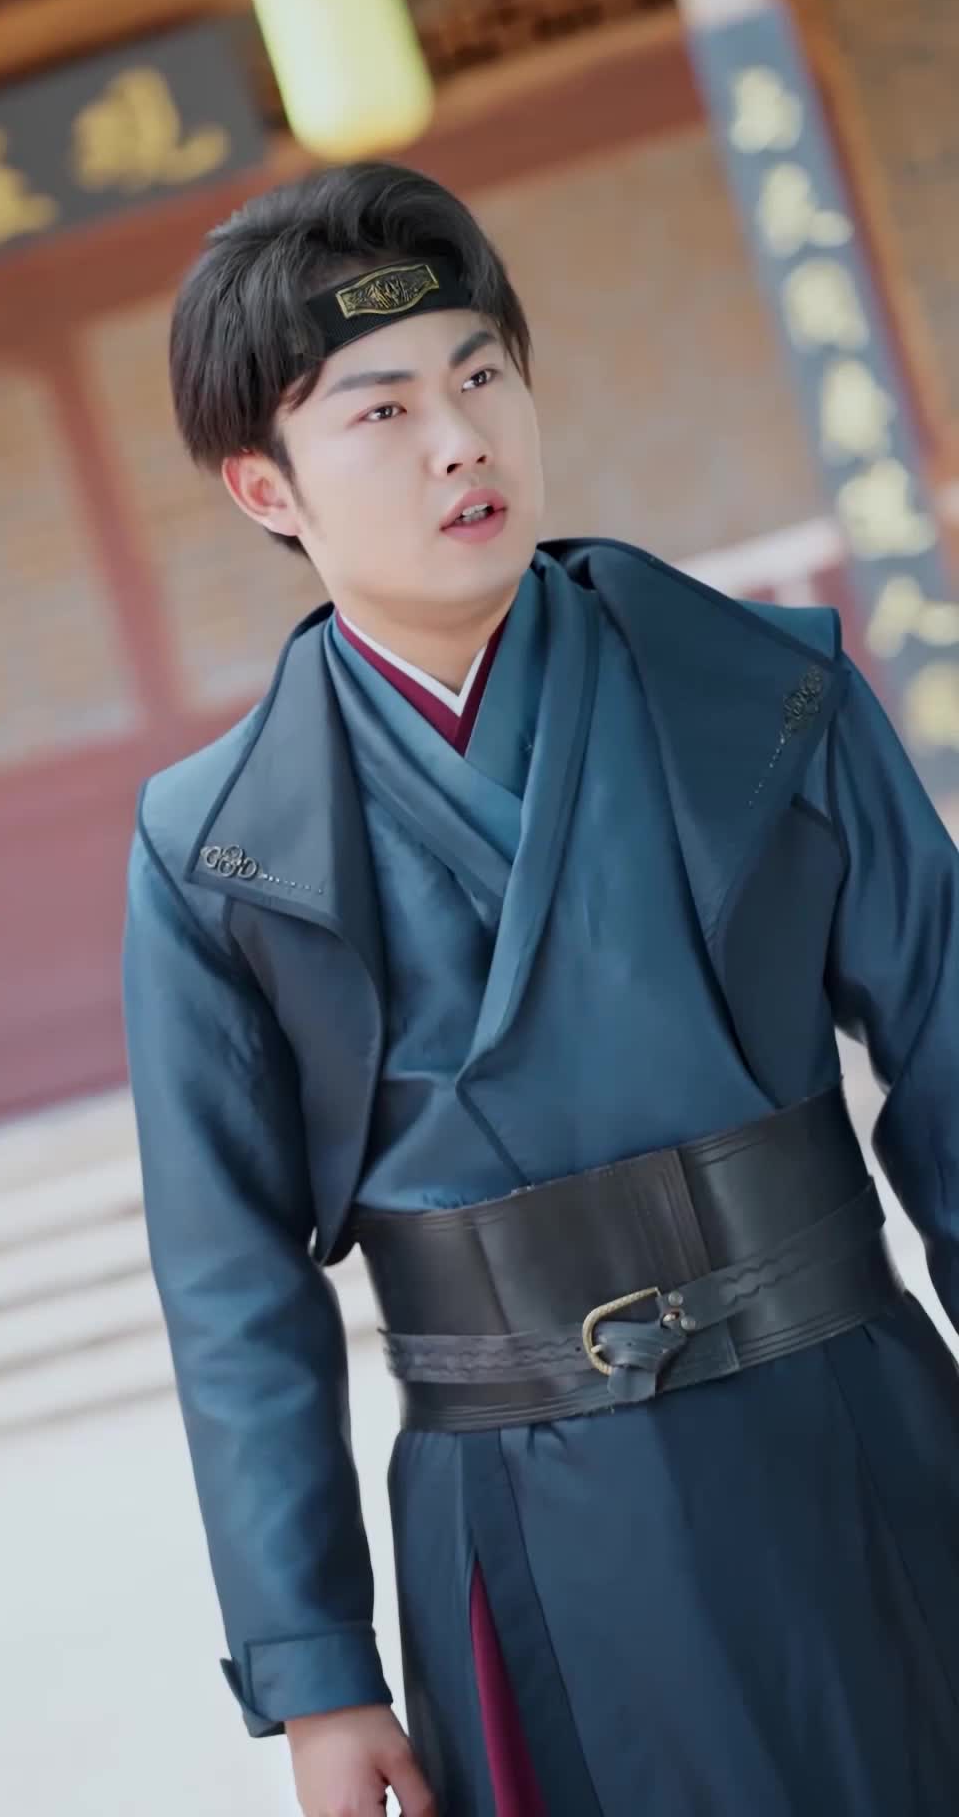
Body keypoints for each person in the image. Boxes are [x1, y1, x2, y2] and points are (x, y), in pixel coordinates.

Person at [122, 160, 959, 1817]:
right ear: (264, 487)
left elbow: (949, 1055)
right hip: (517, 1513)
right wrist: (315, 1672)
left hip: (851, 1420)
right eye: (382, 411)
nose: (462, 441)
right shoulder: (215, 849)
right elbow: (233, 1290)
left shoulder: (767, 692)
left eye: (482, 375)